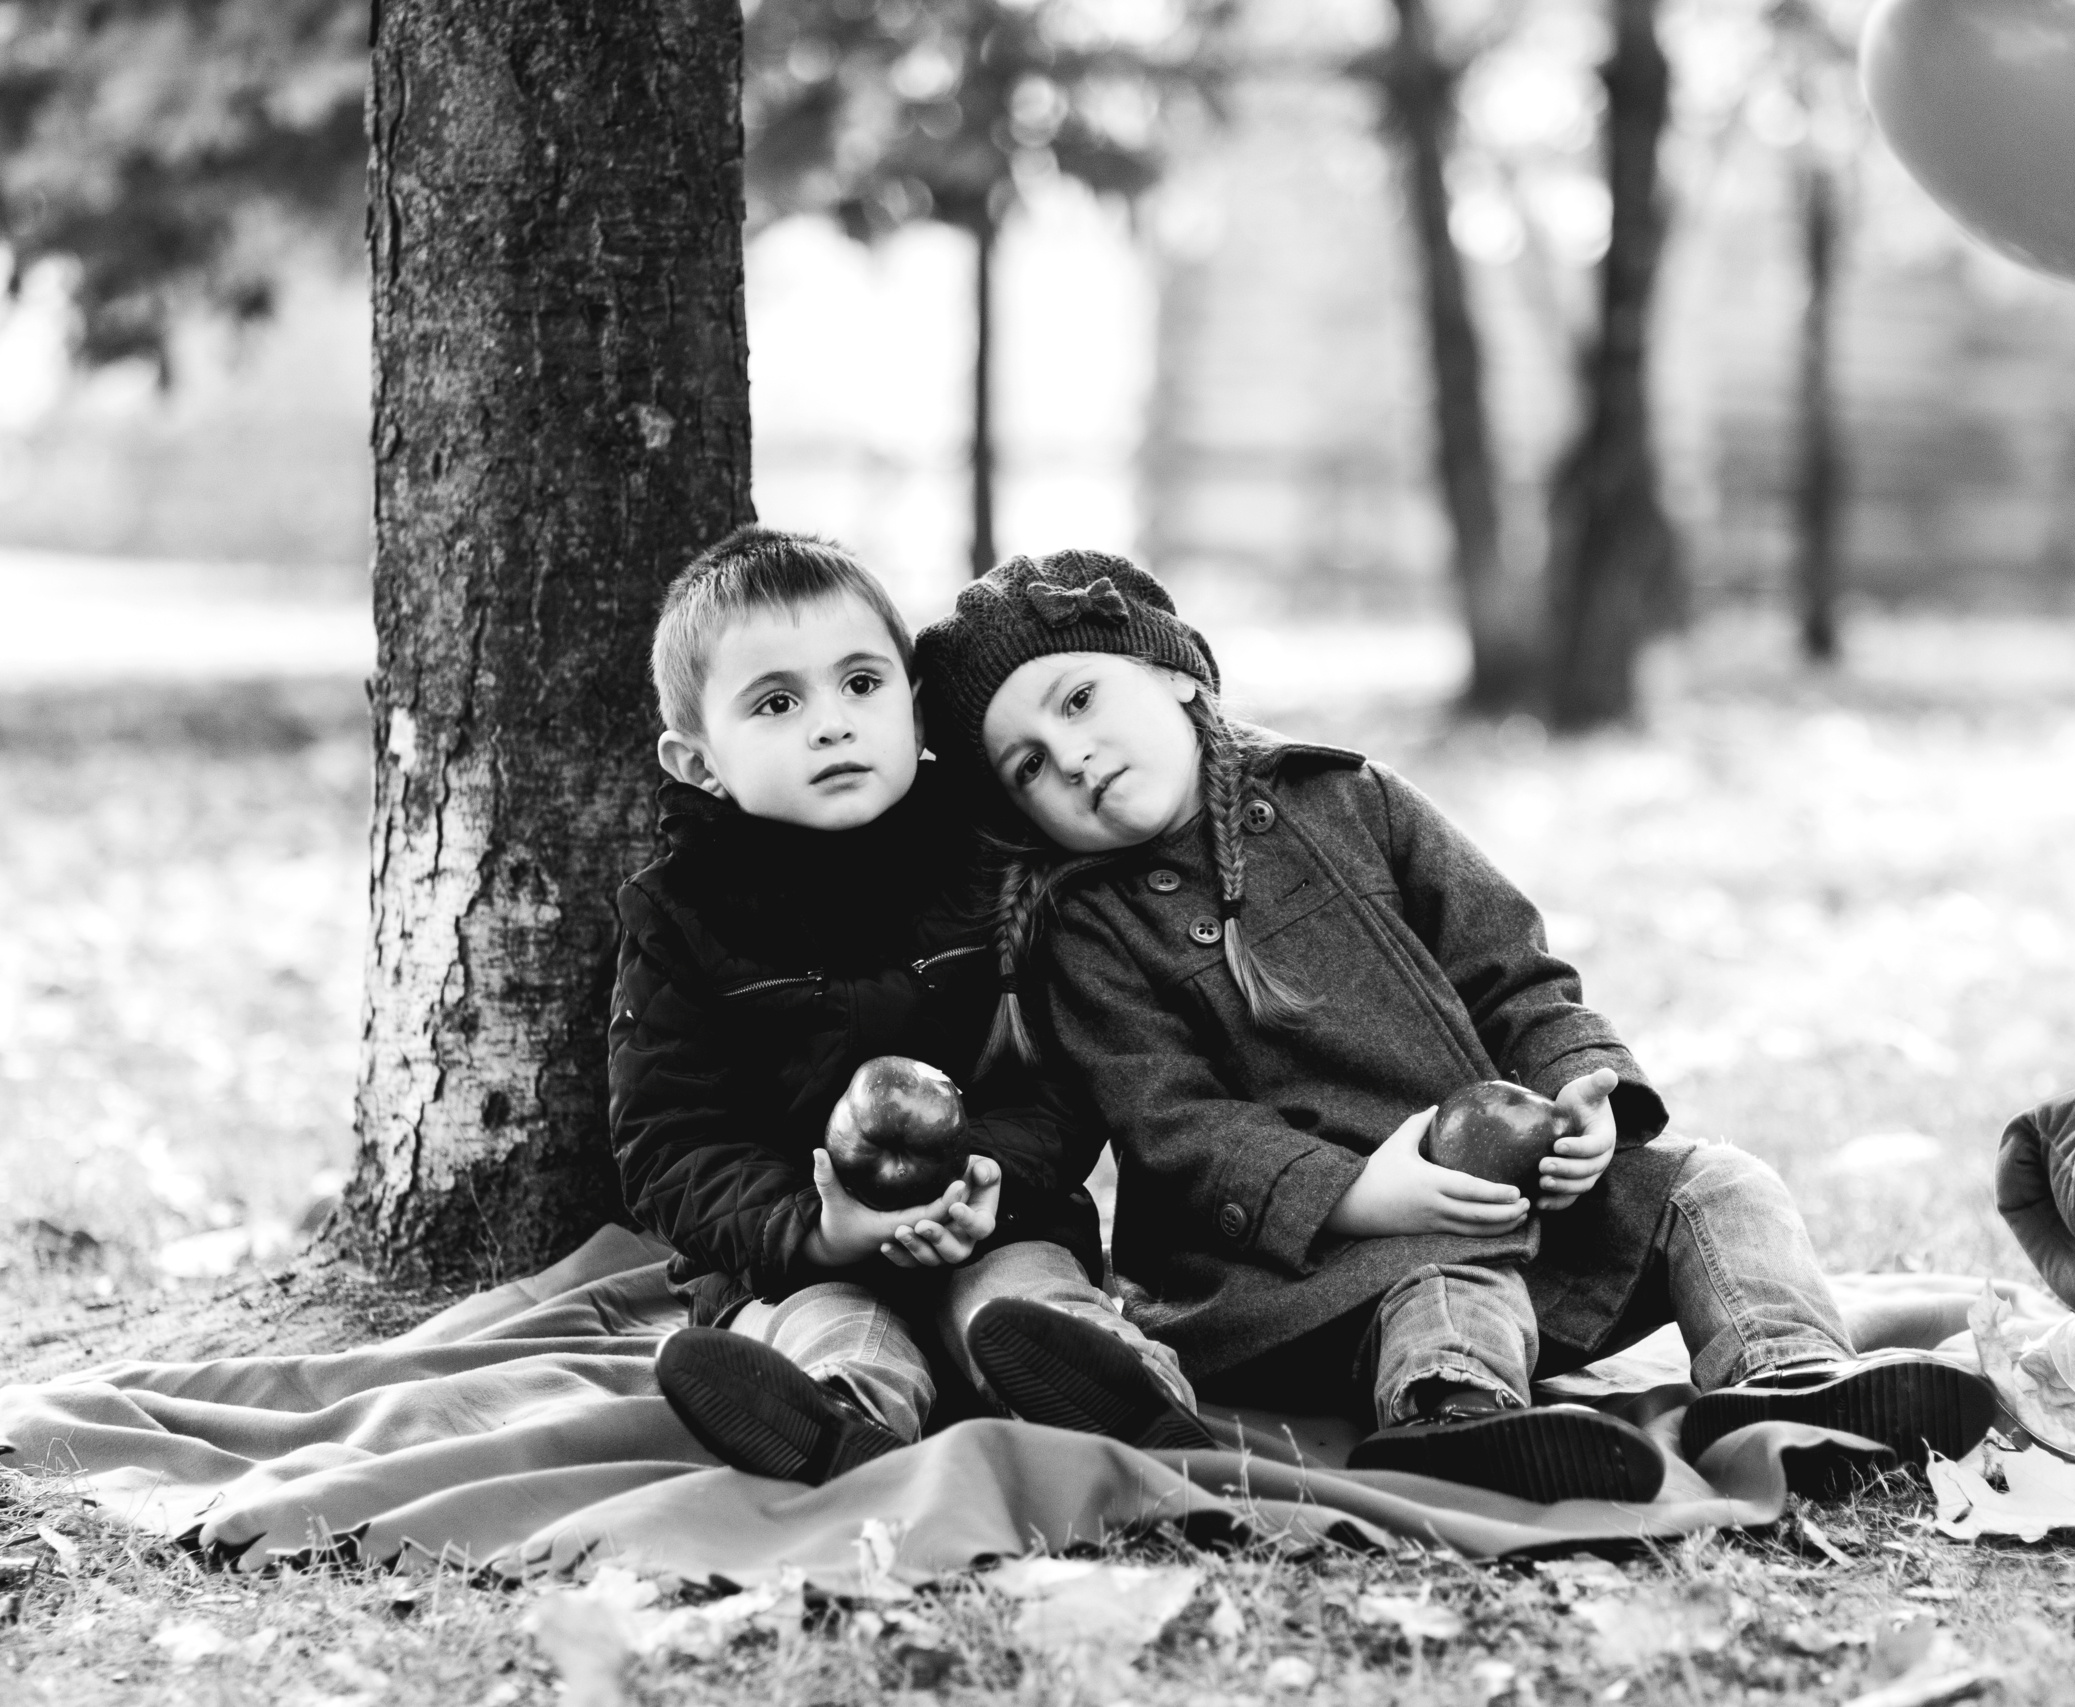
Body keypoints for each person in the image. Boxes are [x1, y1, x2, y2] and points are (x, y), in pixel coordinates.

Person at [913, 549, 2000, 1503]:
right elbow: (1174, 1127)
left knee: (1719, 1185)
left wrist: (1584, 1099)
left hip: (1516, 1196)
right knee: (1445, 1278)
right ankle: (1457, 1427)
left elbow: (1513, 970)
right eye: (1026, 766)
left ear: (1169, 671)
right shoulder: (1085, 930)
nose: (1071, 757)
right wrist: (1352, 1195)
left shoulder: (1352, 801)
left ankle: (1788, 1384)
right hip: (1298, 1274)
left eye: (1078, 700)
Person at [608, 527, 1212, 1486]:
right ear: (697, 762)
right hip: (800, 1256)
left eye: (861, 684)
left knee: (1030, 1311)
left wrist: (984, 1177)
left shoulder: (993, 859)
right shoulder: (679, 916)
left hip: (994, 1222)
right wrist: (814, 1226)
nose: (832, 723)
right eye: (775, 702)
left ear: (916, 709)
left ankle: (1136, 1404)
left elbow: (1063, 1078)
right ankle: (843, 1422)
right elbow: (671, 1140)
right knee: (836, 1329)